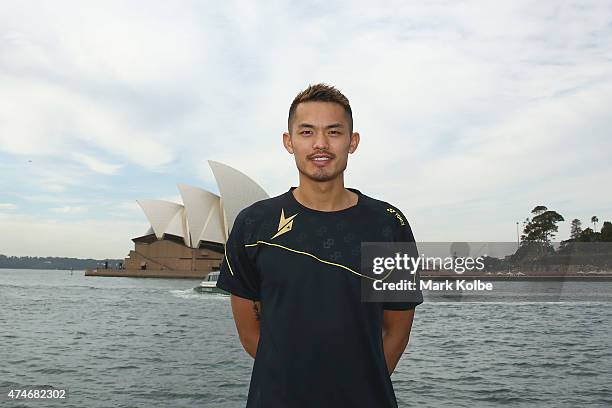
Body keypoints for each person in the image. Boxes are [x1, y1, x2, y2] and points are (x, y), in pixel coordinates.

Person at [216, 83, 423, 407]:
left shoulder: (387, 224)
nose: (321, 144)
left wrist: (359, 388)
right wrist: (293, 383)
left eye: (334, 132)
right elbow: (248, 332)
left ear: (352, 142)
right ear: (289, 142)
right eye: (307, 132)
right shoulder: (253, 224)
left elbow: (397, 330)